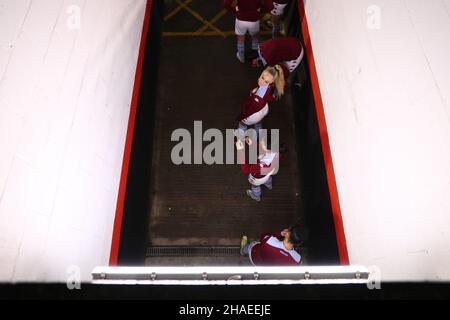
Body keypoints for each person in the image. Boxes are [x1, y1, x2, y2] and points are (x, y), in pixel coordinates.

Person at [235, 65, 285, 142]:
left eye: (266, 82)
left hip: (254, 112)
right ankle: (259, 133)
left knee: (242, 124)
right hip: (264, 108)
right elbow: (270, 97)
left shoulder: (257, 98)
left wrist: (241, 117)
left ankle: (241, 137)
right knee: (258, 122)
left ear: (271, 83)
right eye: (262, 78)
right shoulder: (269, 87)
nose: (262, 82)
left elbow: (250, 110)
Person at [235, 137, 280, 202]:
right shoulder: (277, 153)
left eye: (262, 144)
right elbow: (263, 150)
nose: (260, 143)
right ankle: (269, 185)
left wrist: (240, 151)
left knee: (255, 186)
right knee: (267, 178)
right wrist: (252, 144)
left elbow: (246, 169)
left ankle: (256, 196)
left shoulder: (257, 166)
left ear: (268, 149)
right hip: (267, 174)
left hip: (257, 178)